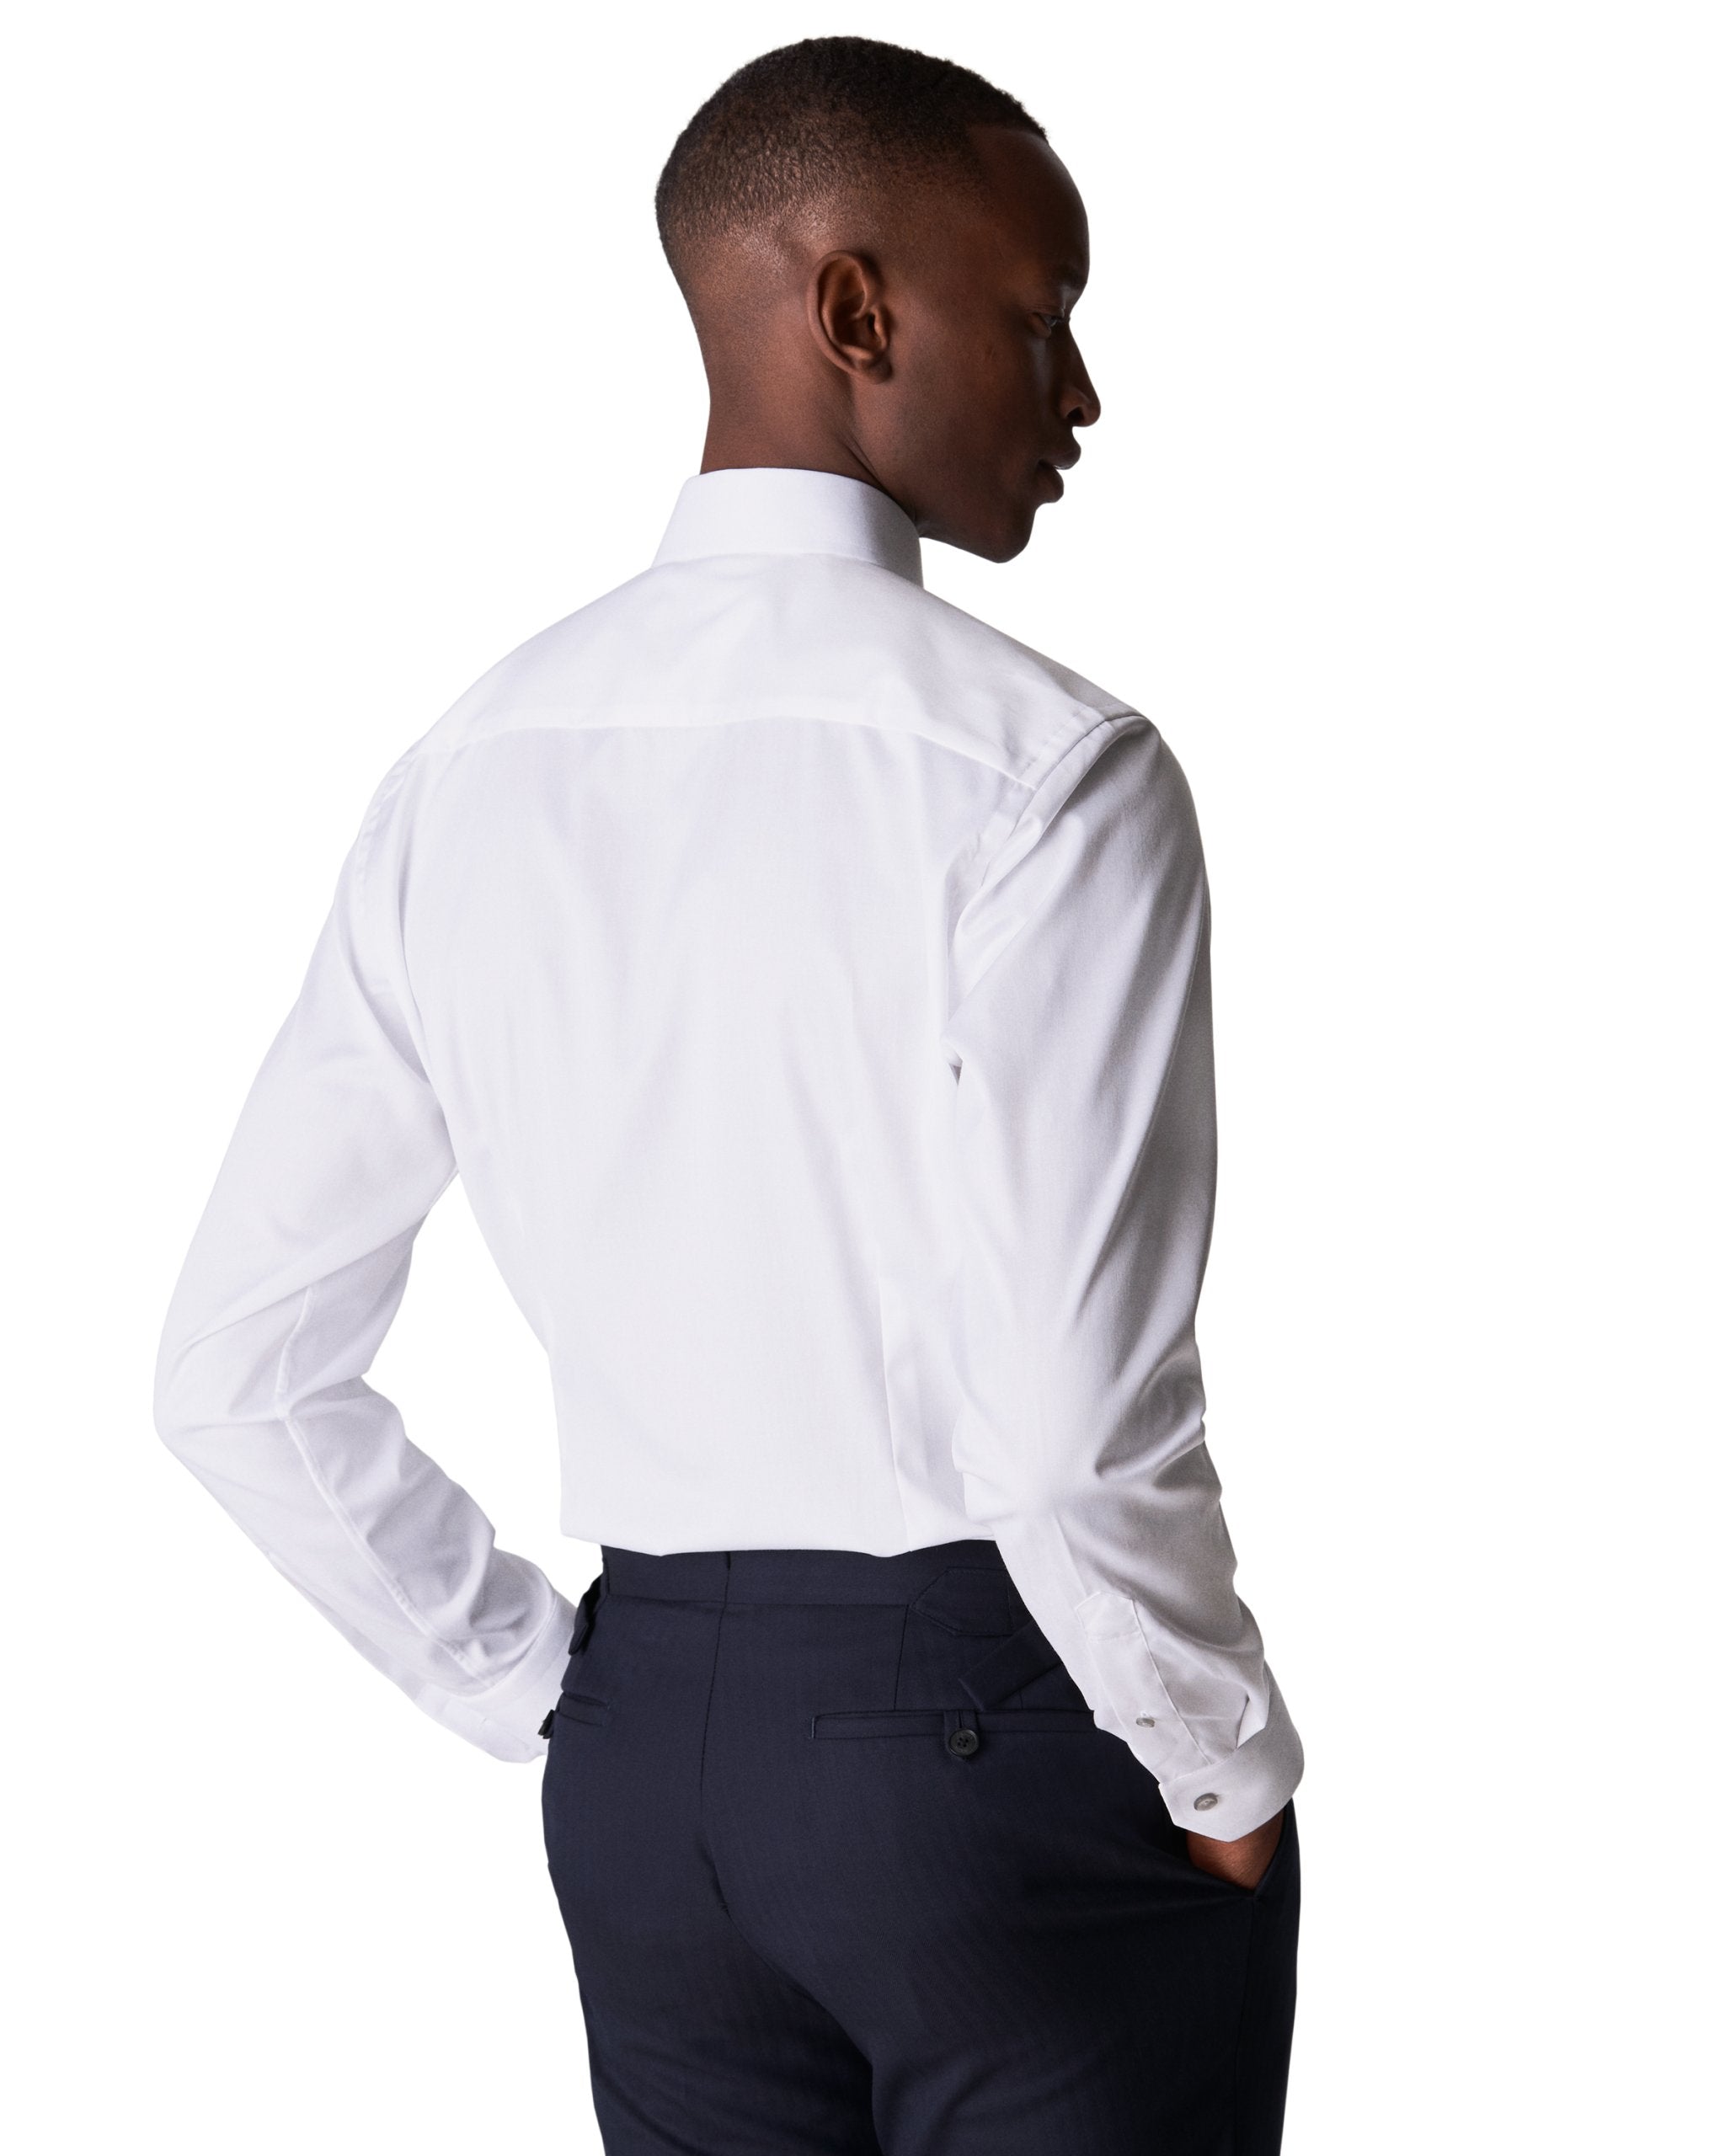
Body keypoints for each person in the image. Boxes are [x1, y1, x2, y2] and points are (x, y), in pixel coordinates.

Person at [153, 34, 1303, 2155]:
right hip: (1000, 1740)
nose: (1080, 390)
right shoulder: (1051, 772)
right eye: (1038, 314)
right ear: (853, 310)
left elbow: (236, 1366)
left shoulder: (469, 767)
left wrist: (550, 1683)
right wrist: (1219, 1760)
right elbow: (1072, 1420)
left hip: (645, 1781)